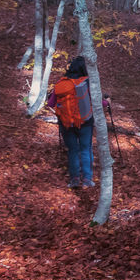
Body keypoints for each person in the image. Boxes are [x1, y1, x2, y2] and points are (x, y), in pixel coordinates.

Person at [47, 56, 96, 188]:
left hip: (66, 124)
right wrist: (106, 103)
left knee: (73, 150)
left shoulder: (62, 83)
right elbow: (98, 102)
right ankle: (87, 179)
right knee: (86, 149)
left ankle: (74, 179)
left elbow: (50, 103)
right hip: (85, 122)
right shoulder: (86, 82)